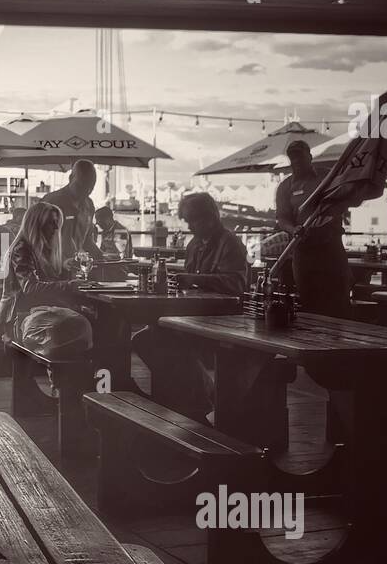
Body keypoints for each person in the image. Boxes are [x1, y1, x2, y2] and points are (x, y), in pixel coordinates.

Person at [133, 192, 247, 420]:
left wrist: (193, 279)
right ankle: (194, 396)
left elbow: (236, 284)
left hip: (223, 316)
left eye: (192, 220)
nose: (189, 226)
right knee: (146, 339)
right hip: (195, 312)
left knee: (165, 337)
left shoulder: (230, 243)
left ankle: (198, 398)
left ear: (210, 218)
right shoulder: (195, 244)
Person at [0, 200, 93, 358]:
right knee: (80, 325)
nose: (56, 228)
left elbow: (44, 283)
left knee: (87, 321)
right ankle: (71, 377)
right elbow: (31, 288)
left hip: (35, 310)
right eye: (51, 223)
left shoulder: (40, 248)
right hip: (20, 315)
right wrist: (69, 285)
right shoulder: (22, 248)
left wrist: (64, 269)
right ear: (36, 224)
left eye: (57, 223)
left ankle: (77, 375)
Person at [275, 139, 350, 316]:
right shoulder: (285, 187)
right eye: (293, 159)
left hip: (331, 248)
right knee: (309, 301)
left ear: (309, 157)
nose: (296, 162)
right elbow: (282, 218)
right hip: (303, 251)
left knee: (338, 300)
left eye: (300, 158)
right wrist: (293, 230)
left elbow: (344, 201)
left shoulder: (327, 177)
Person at [43, 160, 103, 266]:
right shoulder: (51, 202)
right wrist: (61, 262)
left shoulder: (89, 205)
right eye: (81, 186)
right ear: (70, 178)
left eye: (91, 188)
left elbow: (87, 241)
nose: (86, 191)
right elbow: (39, 240)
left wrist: (103, 256)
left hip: (75, 269)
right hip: (50, 270)